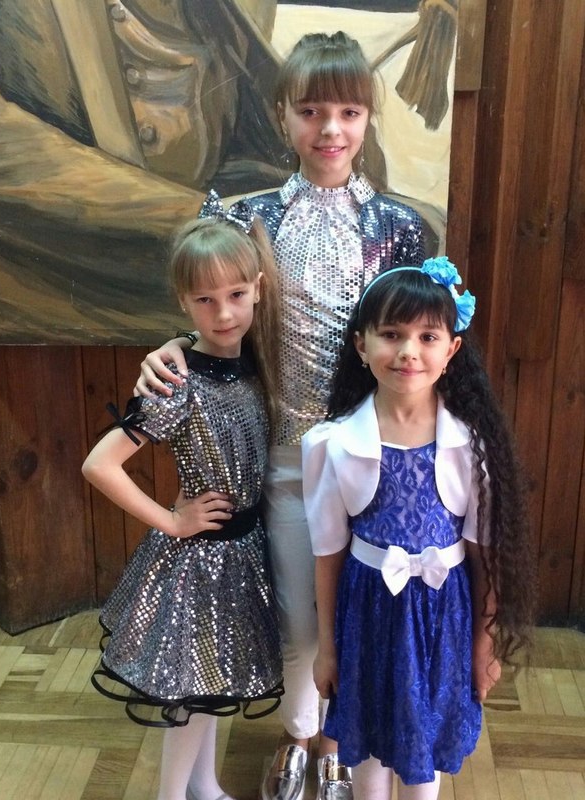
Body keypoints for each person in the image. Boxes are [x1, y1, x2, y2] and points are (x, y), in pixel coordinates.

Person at [133, 32, 427, 800]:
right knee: (299, 620)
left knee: (358, 619)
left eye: (349, 112)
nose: (330, 129)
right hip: (287, 461)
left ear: (367, 118)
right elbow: (214, 308)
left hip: (374, 462)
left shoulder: (398, 227)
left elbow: (417, 340)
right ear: (281, 115)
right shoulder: (250, 218)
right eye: (311, 111)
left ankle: (339, 744)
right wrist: (171, 347)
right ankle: (300, 736)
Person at [302, 258, 535, 800]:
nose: (409, 351)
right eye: (391, 334)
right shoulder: (331, 444)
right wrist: (327, 648)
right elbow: (328, 555)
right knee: (369, 748)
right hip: (367, 613)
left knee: (423, 751)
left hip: (442, 617)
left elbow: (484, 559)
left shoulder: (471, 445)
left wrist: (484, 646)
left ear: (451, 349)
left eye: (428, 336)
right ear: (361, 345)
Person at [82, 195, 283, 800]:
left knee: (213, 682)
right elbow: (99, 464)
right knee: (189, 696)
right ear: (183, 301)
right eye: (204, 300)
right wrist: (173, 521)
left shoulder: (254, 362)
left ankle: (206, 787)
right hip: (199, 560)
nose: (223, 313)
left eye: (236, 295)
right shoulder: (177, 383)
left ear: (258, 289)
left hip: (242, 552)